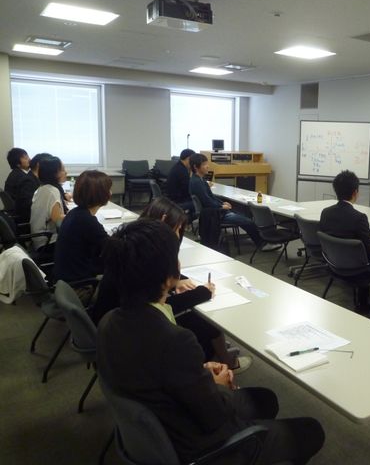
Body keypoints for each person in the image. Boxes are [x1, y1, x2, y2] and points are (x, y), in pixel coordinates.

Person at [97, 219, 324, 464]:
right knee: (311, 431)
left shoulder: (110, 321)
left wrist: (200, 372)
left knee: (265, 399)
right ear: (168, 276)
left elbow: (160, 371)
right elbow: (214, 417)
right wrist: (219, 385)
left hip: (161, 424)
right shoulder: (175, 340)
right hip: (198, 447)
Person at [92, 197, 250, 371]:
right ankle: (221, 362)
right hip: (132, 341)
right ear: (163, 221)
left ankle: (219, 356)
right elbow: (157, 307)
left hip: (114, 333)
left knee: (199, 322)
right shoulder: (174, 336)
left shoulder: (132, 246)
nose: (178, 235)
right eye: (177, 228)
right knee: (202, 325)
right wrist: (200, 292)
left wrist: (174, 282)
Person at [318, 170, 370, 312]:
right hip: (357, 271)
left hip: (334, 265)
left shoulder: (326, 213)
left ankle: (363, 301)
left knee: (361, 256)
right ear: (355, 193)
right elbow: (369, 252)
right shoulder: (359, 218)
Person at [188, 153, 272, 250]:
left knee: (243, 215)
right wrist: (221, 206)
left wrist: (222, 203)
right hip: (214, 214)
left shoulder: (199, 180)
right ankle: (261, 244)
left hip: (214, 211)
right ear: (196, 167)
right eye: (204, 164)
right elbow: (207, 201)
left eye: (207, 163)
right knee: (248, 221)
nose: (207, 166)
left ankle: (262, 240)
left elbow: (211, 197)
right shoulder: (197, 182)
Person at [54, 170, 111, 289]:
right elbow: (113, 248)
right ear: (101, 194)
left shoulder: (75, 213)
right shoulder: (86, 220)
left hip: (67, 278)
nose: (111, 193)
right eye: (108, 189)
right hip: (79, 286)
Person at [29, 156, 67, 254]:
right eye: (62, 170)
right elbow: (58, 221)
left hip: (38, 240)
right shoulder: (52, 191)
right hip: (48, 243)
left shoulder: (42, 188)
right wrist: (74, 215)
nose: (66, 172)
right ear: (54, 173)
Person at [165, 148, 196, 214]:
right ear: (188, 159)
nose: (194, 163)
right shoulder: (182, 171)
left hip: (172, 199)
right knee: (200, 202)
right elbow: (189, 190)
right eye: (193, 160)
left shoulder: (178, 166)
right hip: (178, 202)